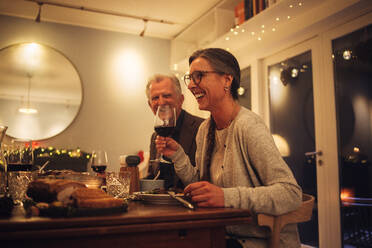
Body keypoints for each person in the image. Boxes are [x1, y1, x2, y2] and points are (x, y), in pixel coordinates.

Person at [155, 48, 302, 248]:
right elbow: (202, 184)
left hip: (255, 242)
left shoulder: (248, 126)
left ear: (227, 80)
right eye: (190, 78)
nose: (190, 85)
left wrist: (226, 197)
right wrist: (178, 156)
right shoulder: (205, 129)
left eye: (199, 76)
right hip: (219, 235)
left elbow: (291, 193)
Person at [146, 74, 204, 189]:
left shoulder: (202, 128)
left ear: (181, 100)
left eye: (167, 96)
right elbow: (153, 177)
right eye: (155, 98)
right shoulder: (155, 137)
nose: (161, 102)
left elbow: (205, 179)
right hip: (161, 205)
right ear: (150, 104)